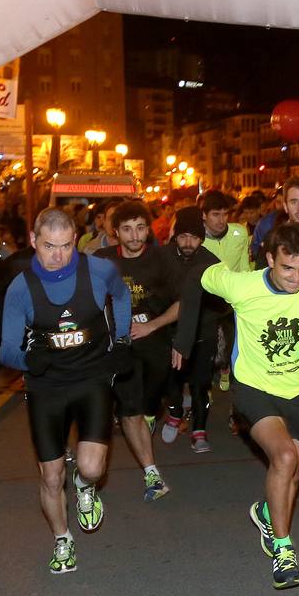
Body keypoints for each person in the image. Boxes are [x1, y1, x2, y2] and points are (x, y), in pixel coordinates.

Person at [173, 223, 299, 589]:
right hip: (254, 387)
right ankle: (283, 549)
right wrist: (183, 338)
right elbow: (196, 276)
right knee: (284, 458)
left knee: (291, 475)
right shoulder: (241, 285)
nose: (297, 278)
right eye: (287, 268)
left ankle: (267, 513)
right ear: (269, 260)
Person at [0, 207, 132, 574]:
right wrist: (30, 361)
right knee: (50, 474)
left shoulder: (100, 270)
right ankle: (62, 539)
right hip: (47, 387)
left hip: (91, 377)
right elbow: (6, 349)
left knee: (90, 467)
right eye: (48, 246)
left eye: (66, 246)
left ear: (75, 239)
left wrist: (121, 340)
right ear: (33, 241)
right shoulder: (20, 288)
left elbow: (121, 298)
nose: (58, 255)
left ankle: (84, 484)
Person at [94, 201, 176, 501]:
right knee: (130, 409)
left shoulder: (163, 258)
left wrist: (152, 326)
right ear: (115, 232)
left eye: (140, 228)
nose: (135, 235)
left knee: (150, 403)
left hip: (155, 341)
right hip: (121, 346)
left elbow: (183, 303)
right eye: (127, 229)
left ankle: (148, 416)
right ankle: (152, 474)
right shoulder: (102, 260)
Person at [162, 207, 222, 453]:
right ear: (175, 236)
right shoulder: (162, 257)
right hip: (169, 332)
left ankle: (199, 428)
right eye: (183, 236)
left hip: (202, 332)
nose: (188, 242)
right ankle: (175, 413)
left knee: (200, 384)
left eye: (194, 237)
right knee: (171, 380)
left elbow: (222, 302)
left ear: (202, 238)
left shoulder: (212, 263)